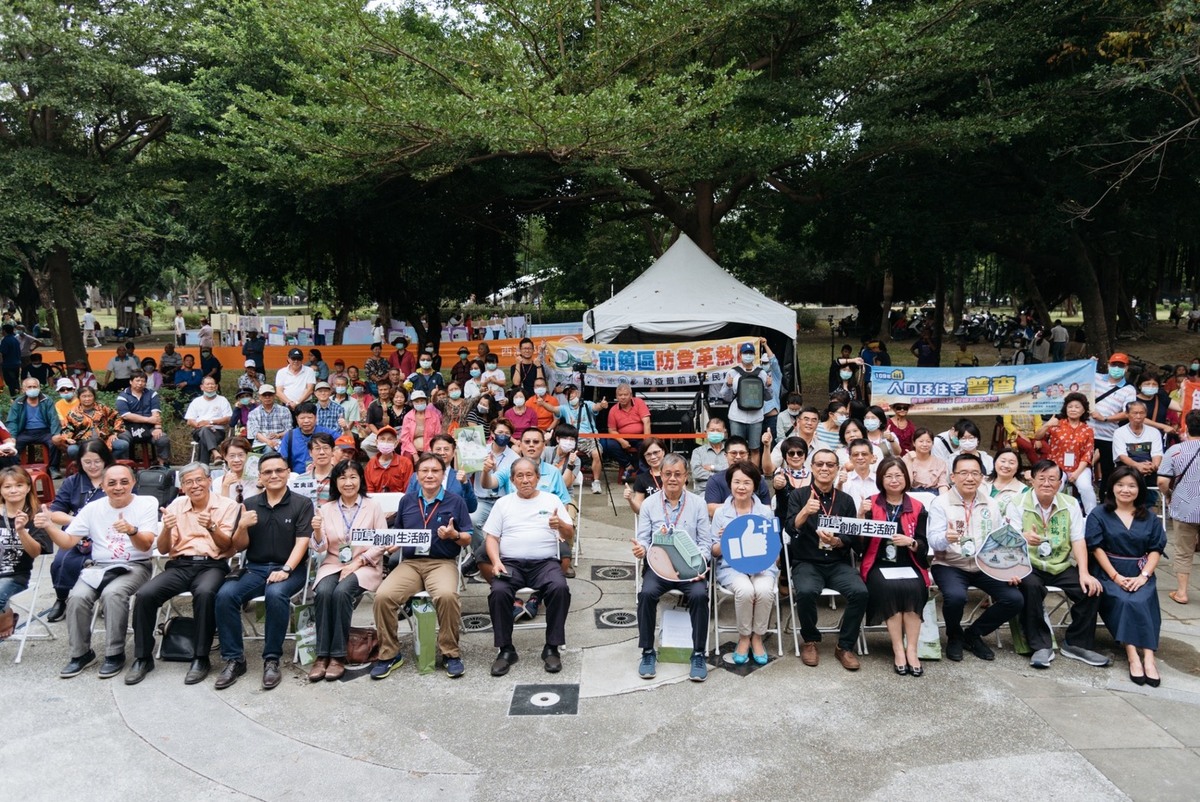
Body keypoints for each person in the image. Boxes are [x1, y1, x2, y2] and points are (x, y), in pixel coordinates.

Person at [36, 464, 158, 679]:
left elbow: (146, 545)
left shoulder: (146, 503)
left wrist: (131, 531)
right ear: (102, 486)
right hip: (100, 566)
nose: (118, 487)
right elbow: (67, 542)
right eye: (111, 483)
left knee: (113, 594)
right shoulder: (93, 508)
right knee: (76, 597)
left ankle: (114, 653)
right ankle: (81, 653)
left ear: (133, 483)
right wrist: (48, 526)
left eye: (124, 482)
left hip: (135, 565)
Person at [126, 463, 240, 686]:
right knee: (145, 594)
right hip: (180, 564)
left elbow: (229, 545)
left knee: (206, 593)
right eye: (188, 482)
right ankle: (142, 657)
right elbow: (165, 548)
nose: (194, 485)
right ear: (182, 486)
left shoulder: (227, 506)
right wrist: (167, 528)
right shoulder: (177, 505)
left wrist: (212, 528)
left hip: (213, 564)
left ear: (209, 481)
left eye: (199, 480)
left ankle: (200, 657)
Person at [213, 452, 313, 690]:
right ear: (260, 476)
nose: (274, 475)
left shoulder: (302, 503)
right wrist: (242, 527)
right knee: (225, 595)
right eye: (268, 472)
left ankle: (271, 659)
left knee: (276, 594)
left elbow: (302, 542)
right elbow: (239, 546)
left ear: (288, 473)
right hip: (255, 568)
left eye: (279, 470)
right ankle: (234, 659)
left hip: (291, 568)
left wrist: (286, 569)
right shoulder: (249, 504)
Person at [370, 454, 473, 680]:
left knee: (447, 595)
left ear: (443, 475)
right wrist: (391, 545)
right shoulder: (407, 501)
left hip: (441, 562)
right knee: (383, 596)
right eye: (424, 471)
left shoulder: (455, 501)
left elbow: (468, 537)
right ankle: (389, 654)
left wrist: (454, 535)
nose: (429, 475)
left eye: (435, 471)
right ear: (417, 475)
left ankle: (450, 653)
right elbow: (400, 534)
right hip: (411, 563)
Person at [1006, 460, 1109, 670]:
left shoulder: (1070, 504)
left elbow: (1078, 539)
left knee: (1091, 589)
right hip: (1028, 565)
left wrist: (1084, 573)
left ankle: (1076, 644)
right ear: (1031, 480)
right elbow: (1008, 539)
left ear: (1060, 482)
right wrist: (1023, 537)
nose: (1047, 483)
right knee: (1031, 587)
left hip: (1058, 564)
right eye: (1041, 478)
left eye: (1052, 479)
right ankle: (1040, 646)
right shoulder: (1017, 503)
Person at [926, 453, 1023, 662]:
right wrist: (945, 538)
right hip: (950, 563)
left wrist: (1009, 569)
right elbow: (933, 541)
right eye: (963, 473)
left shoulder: (991, 503)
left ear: (982, 477)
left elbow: (999, 540)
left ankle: (972, 634)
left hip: (984, 564)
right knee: (956, 597)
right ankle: (953, 635)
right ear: (953, 477)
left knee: (1014, 599)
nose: (969, 478)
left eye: (975, 473)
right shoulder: (940, 503)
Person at [484, 457, 574, 677]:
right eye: (520, 476)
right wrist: (496, 562)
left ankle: (551, 647)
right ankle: (506, 650)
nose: (525, 480)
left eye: (529, 475)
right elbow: (492, 538)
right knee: (498, 591)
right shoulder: (503, 503)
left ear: (537, 477)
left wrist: (560, 525)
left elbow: (569, 536)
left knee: (559, 588)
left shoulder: (551, 500)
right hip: (511, 563)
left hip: (545, 563)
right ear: (513, 480)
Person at [630, 453, 711, 681]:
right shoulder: (649, 504)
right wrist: (641, 550)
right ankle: (647, 651)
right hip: (659, 567)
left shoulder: (698, 504)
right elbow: (643, 538)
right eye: (667, 474)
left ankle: (697, 653)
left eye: (678, 474)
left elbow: (706, 543)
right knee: (646, 594)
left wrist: (700, 567)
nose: (672, 478)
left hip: (689, 569)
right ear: (661, 476)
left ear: (686, 477)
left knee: (699, 596)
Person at [785, 447, 867, 671]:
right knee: (806, 591)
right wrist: (804, 512)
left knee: (860, 592)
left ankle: (845, 645)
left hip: (837, 562)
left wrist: (836, 542)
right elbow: (790, 529)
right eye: (819, 464)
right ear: (811, 468)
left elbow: (851, 538)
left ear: (837, 469)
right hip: (807, 562)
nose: (824, 468)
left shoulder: (845, 500)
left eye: (830, 465)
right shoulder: (798, 495)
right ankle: (810, 640)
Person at [1087, 465, 1167, 686]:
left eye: (1131, 486)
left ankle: (1149, 658)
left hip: (1140, 570)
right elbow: (1096, 548)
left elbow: (1155, 550)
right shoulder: (1099, 513)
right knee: (1124, 601)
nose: (1125, 490)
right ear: (1111, 487)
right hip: (1108, 571)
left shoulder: (1148, 517)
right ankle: (1133, 656)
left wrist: (1143, 576)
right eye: (1120, 485)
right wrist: (1115, 577)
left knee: (1142, 599)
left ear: (1139, 489)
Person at [308, 460, 387, 682]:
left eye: (353, 477)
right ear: (335, 482)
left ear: (361, 479)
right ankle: (321, 655)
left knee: (342, 592)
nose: (348, 482)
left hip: (365, 565)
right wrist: (316, 532)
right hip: (333, 563)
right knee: (323, 591)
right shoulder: (326, 508)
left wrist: (359, 561)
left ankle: (338, 655)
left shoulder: (373, 506)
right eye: (342, 477)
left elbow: (382, 542)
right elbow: (320, 548)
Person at [859, 457, 930, 676]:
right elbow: (859, 546)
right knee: (890, 589)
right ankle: (898, 650)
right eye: (888, 476)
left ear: (906, 478)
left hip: (909, 562)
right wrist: (861, 516)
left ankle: (912, 650)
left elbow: (923, 544)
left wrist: (911, 542)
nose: (894, 480)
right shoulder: (871, 503)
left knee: (914, 588)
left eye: (898, 475)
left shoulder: (917, 507)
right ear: (881, 479)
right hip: (877, 564)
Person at [711, 461, 777, 665]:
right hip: (732, 568)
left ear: (755, 486)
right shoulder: (721, 513)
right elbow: (713, 551)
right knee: (746, 591)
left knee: (765, 590)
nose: (741, 487)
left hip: (762, 566)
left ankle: (757, 637)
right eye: (736, 482)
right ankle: (744, 637)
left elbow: (774, 551)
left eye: (747, 482)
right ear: (730, 484)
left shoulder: (765, 512)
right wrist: (725, 541)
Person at [44, 441, 114, 622]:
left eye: (97, 461)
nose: (93, 466)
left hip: (108, 535)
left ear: (105, 460)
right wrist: (78, 521)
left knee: (109, 563)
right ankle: (61, 598)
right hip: (76, 535)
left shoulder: (115, 479)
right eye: (87, 462)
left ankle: (108, 598)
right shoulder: (72, 482)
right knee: (60, 562)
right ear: (80, 462)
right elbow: (55, 513)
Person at [0, 467, 52, 640]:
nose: (13, 490)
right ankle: (5, 612)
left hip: (15, 575)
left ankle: (4, 613)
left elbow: (36, 552)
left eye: (19, 485)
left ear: (29, 487)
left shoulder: (36, 516)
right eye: (7, 487)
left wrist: (21, 530)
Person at [1159, 409, 1200, 605]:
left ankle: (1182, 592)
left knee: (1183, 551)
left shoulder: (1175, 451)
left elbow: (1161, 481)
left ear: (1186, 427)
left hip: (1185, 506)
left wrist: (1168, 495)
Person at [1037, 392, 1097, 513]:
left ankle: (1092, 517)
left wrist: (1076, 473)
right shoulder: (1056, 425)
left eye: (1077, 407)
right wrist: (1047, 424)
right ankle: (1047, 513)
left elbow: (1087, 454)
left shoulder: (1088, 430)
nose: (1073, 409)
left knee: (1086, 488)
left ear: (1083, 410)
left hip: (1080, 466)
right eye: (1070, 407)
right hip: (1057, 465)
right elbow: (1038, 437)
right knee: (1054, 486)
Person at [1090, 352, 1137, 483]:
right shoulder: (1095, 377)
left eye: (1120, 366)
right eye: (1114, 364)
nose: (1116, 368)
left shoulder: (1129, 389)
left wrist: (1105, 418)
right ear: (1108, 365)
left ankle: (1106, 498)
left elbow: (1128, 412)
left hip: (1109, 435)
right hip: (1087, 432)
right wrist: (1089, 364)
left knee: (1108, 470)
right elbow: (1080, 378)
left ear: (1126, 368)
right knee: (1082, 466)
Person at [721, 342, 772, 456]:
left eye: (750, 353)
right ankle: (736, 472)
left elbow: (768, 397)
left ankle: (752, 473)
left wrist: (768, 386)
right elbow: (726, 397)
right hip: (737, 416)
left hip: (756, 417)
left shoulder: (762, 373)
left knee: (755, 449)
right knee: (736, 449)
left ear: (754, 355)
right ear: (740, 355)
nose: (748, 355)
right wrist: (728, 386)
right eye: (745, 353)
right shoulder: (733, 372)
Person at [55, 385, 127, 462]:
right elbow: (68, 428)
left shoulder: (102, 408)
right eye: (84, 396)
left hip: (103, 441)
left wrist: (115, 433)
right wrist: (68, 438)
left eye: (90, 396)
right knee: (72, 450)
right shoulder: (73, 413)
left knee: (123, 445)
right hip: (82, 443)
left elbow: (117, 417)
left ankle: (107, 462)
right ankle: (83, 466)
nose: (87, 399)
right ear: (79, 397)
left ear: (94, 397)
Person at [557, 384, 607, 494]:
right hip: (573, 439)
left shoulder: (586, 404)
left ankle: (596, 482)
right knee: (562, 452)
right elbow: (553, 409)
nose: (570, 395)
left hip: (590, 438)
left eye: (572, 392)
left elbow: (596, 407)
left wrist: (601, 405)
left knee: (597, 454)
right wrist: (542, 404)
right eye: (567, 393)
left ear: (578, 393)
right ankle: (564, 478)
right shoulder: (564, 408)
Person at [1111, 400, 1163, 506]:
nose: (1138, 416)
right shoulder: (1119, 432)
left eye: (1142, 413)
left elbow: (1157, 453)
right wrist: (1138, 466)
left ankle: (1146, 508)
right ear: (1127, 414)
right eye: (1135, 413)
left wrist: (1153, 466)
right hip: (1127, 468)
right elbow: (1122, 456)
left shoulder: (1154, 432)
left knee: (1152, 481)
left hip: (1149, 469)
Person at [703, 436, 772, 515]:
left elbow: (767, 508)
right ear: (726, 455)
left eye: (742, 453)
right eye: (734, 453)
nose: (738, 456)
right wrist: (742, 507)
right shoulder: (715, 480)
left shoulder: (758, 478)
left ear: (748, 455)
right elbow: (711, 509)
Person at [7, 377, 61, 472]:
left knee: (55, 443)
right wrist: (12, 436)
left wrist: (55, 434)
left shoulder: (47, 400)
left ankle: (53, 469)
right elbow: (12, 421)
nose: (32, 389)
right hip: (25, 432)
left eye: (34, 386)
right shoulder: (18, 402)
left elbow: (53, 418)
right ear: (24, 389)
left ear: (39, 388)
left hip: (45, 432)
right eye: (29, 387)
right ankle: (16, 470)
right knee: (12, 446)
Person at [604, 383, 651, 476]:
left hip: (640, 437)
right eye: (620, 395)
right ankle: (628, 465)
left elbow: (647, 422)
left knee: (646, 446)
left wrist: (647, 440)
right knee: (609, 444)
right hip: (623, 437)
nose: (623, 397)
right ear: (616, 397)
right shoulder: (613, 410)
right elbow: (612, 430)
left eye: (625, 394)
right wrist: (621, 441)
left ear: (631, 395)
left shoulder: (639, 402)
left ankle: (644, 474)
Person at [183, 376, 233, 465]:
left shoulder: (222, 400)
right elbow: (190, 421)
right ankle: (215, 453)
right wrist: (201, 425)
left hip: (217, 432)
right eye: (208, 384)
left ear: (216, 386)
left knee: (204, 438)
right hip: (198, 430)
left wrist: (210, 422)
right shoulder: (196, 401)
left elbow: (228, 418)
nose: (210, 386)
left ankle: (203, 467)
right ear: (202, 387)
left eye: (212, 384)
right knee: (205, 430)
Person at [278, 403, 339, 474]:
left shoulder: (327, 433)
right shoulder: (289, 435)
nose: (306, 421)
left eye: (310, 417)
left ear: (316, 418)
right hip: (297, 478)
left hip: (325, 475)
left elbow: (345, 445)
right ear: (296, 419)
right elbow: (283, 458)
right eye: (302, 418)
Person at [624, 437, 667, 515]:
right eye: (648, 454)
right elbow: (639, 510)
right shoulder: (641, 479)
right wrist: (630, 500)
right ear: (644, 457)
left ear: (663, 452)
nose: (653, 457)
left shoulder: (675, 474)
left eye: (656, 452)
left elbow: (684, 500)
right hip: (653, 520)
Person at [364, 426, 413, 493]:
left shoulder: (405, 463)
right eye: (382, 439)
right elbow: (370, 490)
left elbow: (408, 489)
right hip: (377, 502)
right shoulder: (371, 464)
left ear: (396, 443)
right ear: (376, 442)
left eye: (390, 440)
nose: (385, 442)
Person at [246, 384, 292, 452]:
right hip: (260, 443)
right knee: (268, 449)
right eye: (264, 395)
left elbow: (289, 429)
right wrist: (268, 442)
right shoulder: (253, 413)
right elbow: (256, 433)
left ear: (274, 396)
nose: (267, 397)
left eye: (270, 394)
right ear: (260, 397)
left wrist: (278, 435)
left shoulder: (284, 410)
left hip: (281, 441)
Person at [837, 439, 878, 513]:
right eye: (856, 454)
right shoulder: (843, 479)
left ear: (871, 456)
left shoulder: (879, 480)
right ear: (850, 458)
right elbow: (836, 502)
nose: (860, 457)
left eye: (864, 454)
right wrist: (840, 484)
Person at [214, 437, 260, 503]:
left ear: (247, 455)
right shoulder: (218, 482)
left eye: (241, 455)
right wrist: (225, 486)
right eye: (232, 456)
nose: (236, 460)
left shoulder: (258, 479)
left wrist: (260, 486)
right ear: (225, 457)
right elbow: (220, 510)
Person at [400, 389, 442, 458]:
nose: (420, 403)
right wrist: (414, 454)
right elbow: (405, 438)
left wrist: (430, 450)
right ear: (412, 403)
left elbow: (438, 435)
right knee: (407, 458)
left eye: (422, 401)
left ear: (426, 401)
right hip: (410, 449)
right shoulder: (408, 417)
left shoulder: (434, 416)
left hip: (430, 448)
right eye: (417, 401)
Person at [690, 418, 729, 493]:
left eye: (718, 430)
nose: (715, 433)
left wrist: (712, 468)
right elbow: (697, 473)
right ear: (706, 432)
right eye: (712, 430)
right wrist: (722, 474)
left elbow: (732, 470)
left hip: (726, 490)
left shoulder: (730, 451)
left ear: (724, 433)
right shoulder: (698, 452)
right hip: (704, 491)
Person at [985, 447, 1026, 516]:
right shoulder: (981, 481)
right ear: (995, 462)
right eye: (1003, 461)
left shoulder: (1023, 491)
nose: (1006, 465)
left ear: (1018, 467)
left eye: (1011, 463)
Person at [274, 347, 316, 414]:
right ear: (288, 359)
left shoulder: (309, 371)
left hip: (305, 405)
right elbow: (279, 392)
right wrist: (290, 403)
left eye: (298, 359)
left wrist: (297, 403)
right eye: (293, 358)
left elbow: (310, 389)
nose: (296, 361)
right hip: (287, 405)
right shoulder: (281, 372)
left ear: (302, 359)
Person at [0, 324, 22, 394]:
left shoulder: (5, 340)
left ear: (4, 331)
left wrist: (1, 362)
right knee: (15, 381)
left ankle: (14, 397)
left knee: (10, 382)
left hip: (8, 365)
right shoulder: (15, 339)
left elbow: (2, 353)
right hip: (16, 364)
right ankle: (18, 395)